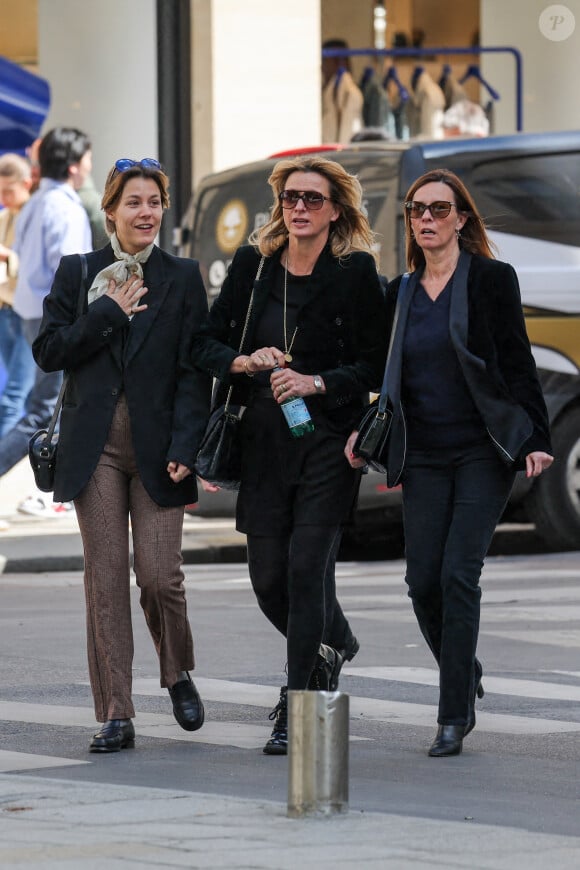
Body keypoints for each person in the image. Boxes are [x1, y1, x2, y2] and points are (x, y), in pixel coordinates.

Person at [346, 168, 553, 757]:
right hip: (426, 455)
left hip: (483, 451)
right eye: (417, 211)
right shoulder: (401, 292)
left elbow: (518, 362)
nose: (427, 219)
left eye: (439, 209)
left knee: (459, 574)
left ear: (462, 218)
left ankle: (452, 712)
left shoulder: (491, 280)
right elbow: (372, 370)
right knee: (421, 583)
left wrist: (535, 435)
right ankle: (464, 669)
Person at [192, 155, 387, 754]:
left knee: (307, 574)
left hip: (327, 441)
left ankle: (298, 703)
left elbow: (374, 364)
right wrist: (244, 361)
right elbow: (206, 341)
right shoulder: (254, 267)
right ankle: (333, 644)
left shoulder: (355, 273)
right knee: (267, 580)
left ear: (336, 211)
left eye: (313, 199)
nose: (299, 208)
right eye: (291, 198)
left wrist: (315, 382)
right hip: (264, 444)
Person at [33, 157, 211, 753]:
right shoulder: (78, 270)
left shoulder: (182, 277)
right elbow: (50, 350)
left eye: (155, 202)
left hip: (162, 450)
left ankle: (177, 670)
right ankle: (115, 710)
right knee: (104, 579)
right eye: (133, 202)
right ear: (110, 209)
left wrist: (189, 443)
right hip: (96, 450)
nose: (146, 213)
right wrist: (107, 313)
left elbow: (193, 371)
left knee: (160, 579)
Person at [0, 128, 92, 498]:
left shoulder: (35, 204)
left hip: (31, 315)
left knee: (58, 408)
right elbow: (70, 272)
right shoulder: (63, 207)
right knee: (44, 411)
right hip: (55, 320)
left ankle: (66, 493)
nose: (89, 165)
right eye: (87, 158)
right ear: (74, 166)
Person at [0, 154, 35, 439]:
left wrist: (8, 257)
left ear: (26, 183)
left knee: (14, 395)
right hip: (5, 310)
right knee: (17, 391)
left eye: (8, 190)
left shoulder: (36, 216)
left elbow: (43, 270)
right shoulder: (5, 216)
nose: (4, 197)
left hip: (26, 313)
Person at [321, 39, 364, 144]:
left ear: (337, 62)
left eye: (324, 61)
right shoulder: (327, 92)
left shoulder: (350, 94)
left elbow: (347, 135)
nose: (321, 67)